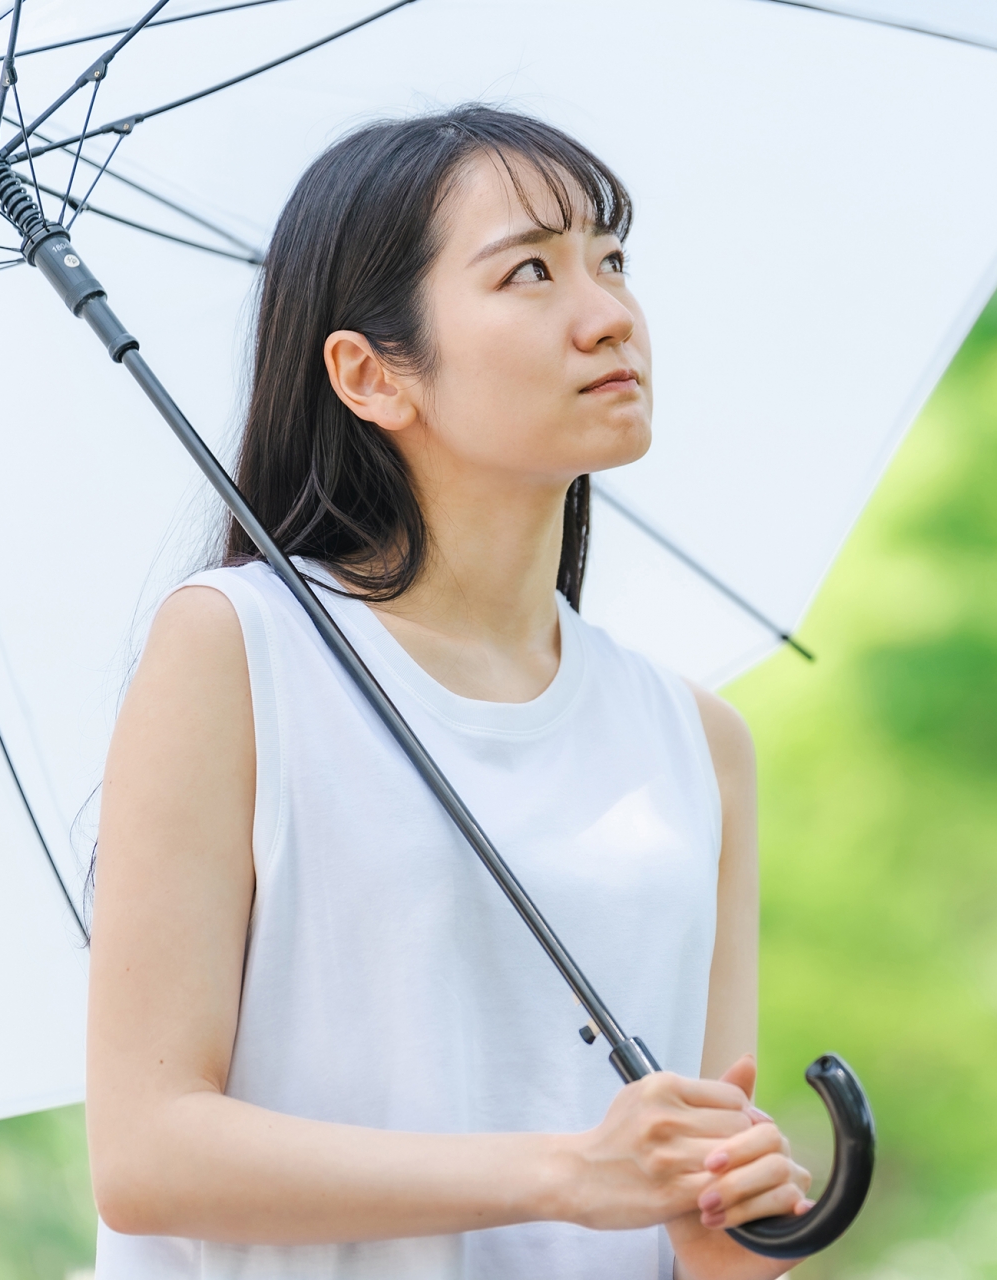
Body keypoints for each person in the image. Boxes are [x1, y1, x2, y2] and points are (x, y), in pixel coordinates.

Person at [85, 107, 811, 1280]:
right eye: (531, 269)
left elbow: (690, 1210)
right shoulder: (240, 650)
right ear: (371, 375)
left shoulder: (698, 740)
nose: (610, 313)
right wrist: (564, 1172)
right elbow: (148, 1147)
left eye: (611, 259)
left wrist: (734, 1235)